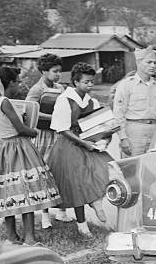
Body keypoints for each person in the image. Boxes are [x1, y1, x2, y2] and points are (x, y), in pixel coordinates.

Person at [0, 67, 62, 245]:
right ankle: (29, 237)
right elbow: (21, 128)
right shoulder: (5, 101)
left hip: (2, 148)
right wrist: (33, 131)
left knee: (8, 193)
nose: (18, 85)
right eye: (17, 81)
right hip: (18, 147)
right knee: (27, 190)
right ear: (10, 83)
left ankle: (11, 236)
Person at [46, 63, 112, 237]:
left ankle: (96, 201)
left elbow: (99, 124)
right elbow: (63, 129)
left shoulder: (92, 101)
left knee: (103, 168)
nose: (90, 85)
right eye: (86, 82)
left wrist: (105, 137)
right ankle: (82, 224)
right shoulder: (65, 99)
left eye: (92, 81)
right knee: (76, 183)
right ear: (75, 82)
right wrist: (84, 144)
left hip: (87, 141)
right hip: (68, 145)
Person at [26, 53, 74, 228]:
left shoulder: (60, 88)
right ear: (44, 71)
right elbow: (30, 111)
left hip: (58, 134)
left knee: (60, 172)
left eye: (59, 71)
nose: (58, 74)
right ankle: (45, 215)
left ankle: (62, 212)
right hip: (43, 135)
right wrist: (54, 116)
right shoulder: (36, 90)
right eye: (54, 71)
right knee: (44, 173)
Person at [113, 46, 156, 157]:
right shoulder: (126, 85)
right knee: (131, 167)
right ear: (138, 62)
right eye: (149, 62)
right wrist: (123, 138)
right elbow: (118, 114)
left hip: (154, 130)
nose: (153, 66)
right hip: (134, 132)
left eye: (155, 63)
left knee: (151, 166)